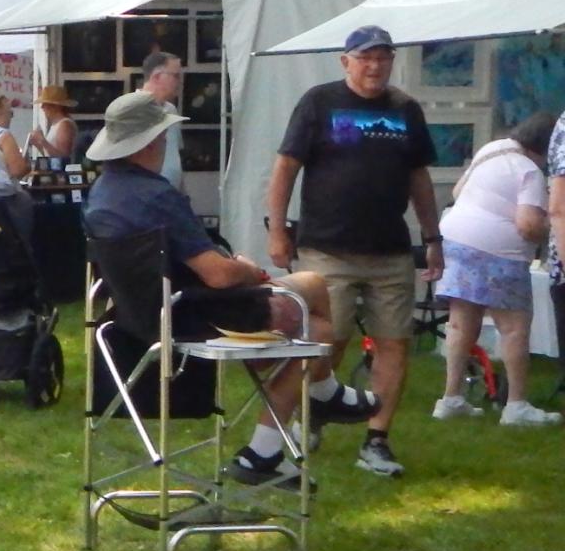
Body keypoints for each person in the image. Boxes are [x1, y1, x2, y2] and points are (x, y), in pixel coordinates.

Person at [85, 91, 373, 487]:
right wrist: (248, 270)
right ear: (149, 144)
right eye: (163, 138)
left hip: (137, 317)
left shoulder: (101, 194)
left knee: (313, 291)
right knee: (315, 324)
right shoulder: (157, 195)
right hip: (198, 315)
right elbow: (218, 275)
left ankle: (316, 400)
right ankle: (271, 443)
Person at [266, 25, 436, 478]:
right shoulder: (319, 102)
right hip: (327, 248)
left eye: (383, 58)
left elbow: (419, 177)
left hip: (390, 251)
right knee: (328, 340)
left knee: (394, 343)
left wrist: (432, 238)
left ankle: (376, 440)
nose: (375, 66)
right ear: (346, 62)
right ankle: (313, 412)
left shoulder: (405, 109)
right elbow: (285, 167)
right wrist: (277, 231)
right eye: (365, 58)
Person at [434, 112, 560, 426]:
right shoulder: (529, 171)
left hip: (455, 240)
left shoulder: (492, 149)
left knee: (461, 324)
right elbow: (527, 225)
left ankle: (451, 398)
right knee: (514, 328)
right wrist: (551, 226)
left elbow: (458, 192)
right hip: (499, 253)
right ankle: (516, 406)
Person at [139, 52, 184, 187]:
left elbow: (175, 156)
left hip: (171, 192)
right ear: (157, 76)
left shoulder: (171, 110)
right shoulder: (134, 111)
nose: (180, 82)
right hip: (145, 192)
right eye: (176, 76)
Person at [28, 85, 79, 162]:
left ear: (55, 106)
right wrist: (37, 144)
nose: (42, 107)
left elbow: (63, 157)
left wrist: (42, 141)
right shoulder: (57, 124)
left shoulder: (65, 125)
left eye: (45, 104)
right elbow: (50, 155)